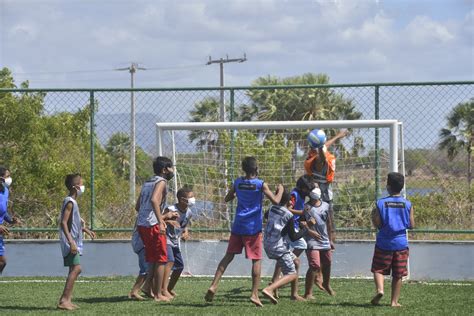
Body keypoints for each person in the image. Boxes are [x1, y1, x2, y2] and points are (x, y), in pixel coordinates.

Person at [205, 157, 283, 307]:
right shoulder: (260, 184)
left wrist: (236, 193)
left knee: (228, 256)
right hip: (252, 228)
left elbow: (227, 198)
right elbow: (276, 202)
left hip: (238, 225)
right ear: (256, 169)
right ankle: (254, 294)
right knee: (256, 260)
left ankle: (214, 285)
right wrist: (280, 190)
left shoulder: (237, 182)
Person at [262, 189, 320, 304]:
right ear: (288, 201)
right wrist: (307, 226)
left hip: (268, 243)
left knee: (296, 262)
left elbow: (266, 216)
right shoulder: (288, 215)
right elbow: (294, 237)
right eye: (292, 200)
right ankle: (270, 289)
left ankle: (294, 295)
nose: (293, 202)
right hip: (278, 247)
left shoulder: (272, 208)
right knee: (291, 274)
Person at [136, 156, 178, 302]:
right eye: (171, 167)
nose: (173, 170)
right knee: (161, 259)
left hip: (142, 224)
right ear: (164, 169)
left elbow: (138, 206)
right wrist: (161, 220)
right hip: (153, 224)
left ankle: (148, 288)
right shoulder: (161, 182)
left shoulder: (148, 182)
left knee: (153, 258)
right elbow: (154, 199)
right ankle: (159, 294)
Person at [370, 172, 414, 307]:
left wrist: (373, 218)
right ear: (402, 187)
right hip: (400, 243)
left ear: (388, 186)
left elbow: (378, 223)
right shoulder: (407, 204)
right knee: (398, 274)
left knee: (378, 269)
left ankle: (380, 290)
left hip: (384, 242)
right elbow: (411, 225)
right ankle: (394, 302)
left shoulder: (381, 203)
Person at [270, 175, 315, 298]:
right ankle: (278, 280)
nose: (309, 192)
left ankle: (275, 280)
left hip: (294, 226)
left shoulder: (302, 195)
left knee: (284, 256)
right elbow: (289, 209)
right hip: (289, 227)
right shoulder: (294, 194)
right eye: (307, 189)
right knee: (301, 246)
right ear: (301, 187)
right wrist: (303, 213)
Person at [58, 173, 96, 310]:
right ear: (75, 187)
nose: (83, 186)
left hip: (73, 240)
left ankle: (67, 299)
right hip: (70, 242)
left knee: (73, 269)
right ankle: (63, 300)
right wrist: (71, 242)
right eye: (81, 184)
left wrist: (85, 230)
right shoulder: (69, 202)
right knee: (77, 268)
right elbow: (63, 223)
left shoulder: (72, 201)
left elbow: (72, 223)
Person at [161, 187, 194, 299]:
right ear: (181, 199)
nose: (193, 199)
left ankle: (169, 288)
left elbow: (185, 225)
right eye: (190, 197)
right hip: (165, 239)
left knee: (179, 266)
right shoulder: (171, 209)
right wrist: (169, 220)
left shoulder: (189, 212)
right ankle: (163, 289)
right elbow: (160, 220)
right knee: (170, 261)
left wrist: (185, 232)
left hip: (175, 240)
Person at [303, 185, 335, 300]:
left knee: (327, 262)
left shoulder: (326, 206)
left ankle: (326, 284)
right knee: (314, 265)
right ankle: (308, 293)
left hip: (324, 239)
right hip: (311, 240)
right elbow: (301, 223)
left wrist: (330, 239)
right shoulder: (306, 207)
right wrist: (310, 231)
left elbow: (329, 223)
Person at [0, 167, 20, 274]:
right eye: (7, 176)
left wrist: (11, 220)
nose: (9, 179)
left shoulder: (5, 191)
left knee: (2, 262)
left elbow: (3, 212)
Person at [128, 221, 149, 301]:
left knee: (149, 268)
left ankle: (149, 289)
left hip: (144, 242)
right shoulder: (144, 214)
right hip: (142, 243)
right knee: (145, 268)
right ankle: (134, 291)